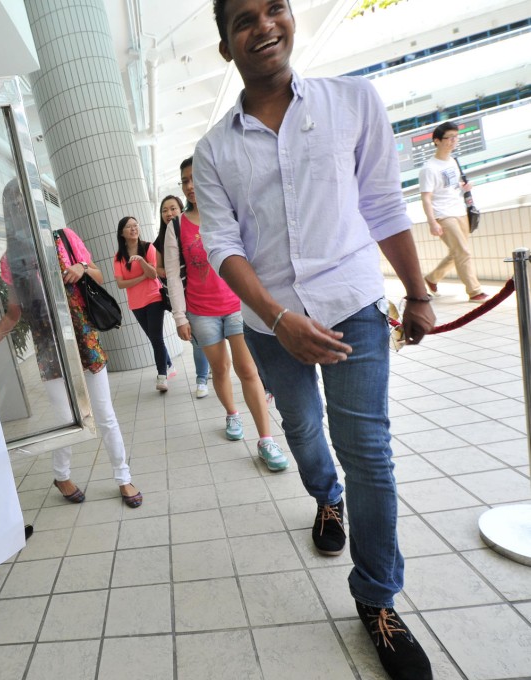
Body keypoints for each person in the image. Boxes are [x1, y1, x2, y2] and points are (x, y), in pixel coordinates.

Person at [193, 1, 436, 677]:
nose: (264, 25)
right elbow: (221, 243)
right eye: (244, 19)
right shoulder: (214, 150)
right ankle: (325, 496)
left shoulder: (352, 101)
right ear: (225, 47)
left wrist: (416, 293)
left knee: (370, 450)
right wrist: (276, 319)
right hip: (271, 322)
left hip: (353, 303)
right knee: (301, 428)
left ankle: (377, 598)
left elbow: (383, 202)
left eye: (275, 8)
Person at [0, 180, 143, 508]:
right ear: (10, 211)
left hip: (84, 338)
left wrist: (81, 267)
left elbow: (99, 276)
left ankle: (123, 476)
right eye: (16, 204)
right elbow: (13, 314)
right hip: (48, 347)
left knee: (103, 412)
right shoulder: (10, 259)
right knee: (64, 416)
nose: (23, 208)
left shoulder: (65, 238)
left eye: (28, 200)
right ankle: (62, 474)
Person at [164, 156, 288, 473]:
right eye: (185, 181)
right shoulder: (176, 227)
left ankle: (266, 439)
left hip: (237, 305)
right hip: (201, 311)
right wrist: (180, 317)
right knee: (220, 369)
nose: (190, 186)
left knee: (247, 370)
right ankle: (232, 413)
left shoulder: (229, 212)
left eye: (195, 178)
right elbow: (173, 275)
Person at [420, 121, 488, 302]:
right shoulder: (429, 168)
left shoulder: (452, 160)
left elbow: (448, 186)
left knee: (457, 251)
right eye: (449, 138)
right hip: (443, 214)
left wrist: (463, 186)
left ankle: (432, 278)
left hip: (460, 210)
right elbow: (426, 197)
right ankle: (475, 291)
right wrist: (432, 222)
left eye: (455, 137)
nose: (453, 141)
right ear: (437, 141)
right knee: (463, 252)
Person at [155, 196, 211, 398]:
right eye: (164, 210)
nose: (169, 213)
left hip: (209, 291)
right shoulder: (160, 240)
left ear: (181, 209)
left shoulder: (197, 227)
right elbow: (160, 269)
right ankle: (202, 378)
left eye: (173, 208)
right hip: (184, 295)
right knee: (198, 339)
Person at [113, 216, 171, 392]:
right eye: (129, 227)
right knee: (153, 338)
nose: (133, 229)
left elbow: (153, 275)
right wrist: (141, 277)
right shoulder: (119, 257)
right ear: (122, 233)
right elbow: (120, 283)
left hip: (154, 298)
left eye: (135, 225)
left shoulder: (148, 248)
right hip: (136, 304)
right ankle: (168, 363)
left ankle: (162, 375)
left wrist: (141, 260)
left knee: (156, 337)